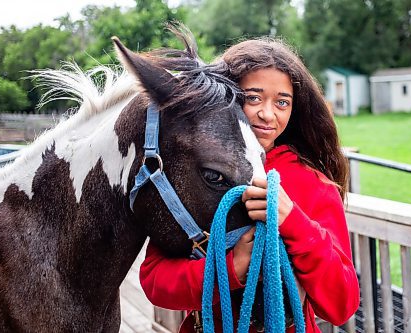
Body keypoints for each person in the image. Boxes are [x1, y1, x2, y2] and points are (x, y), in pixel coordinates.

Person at [140, 37, 360, 332]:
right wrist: (232, 266)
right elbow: (155, 281)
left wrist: (294, 221)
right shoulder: (198, 175)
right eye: (252, 98)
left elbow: (342, 303)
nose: (268, 114)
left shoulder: (314, 184)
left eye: (282, 102)